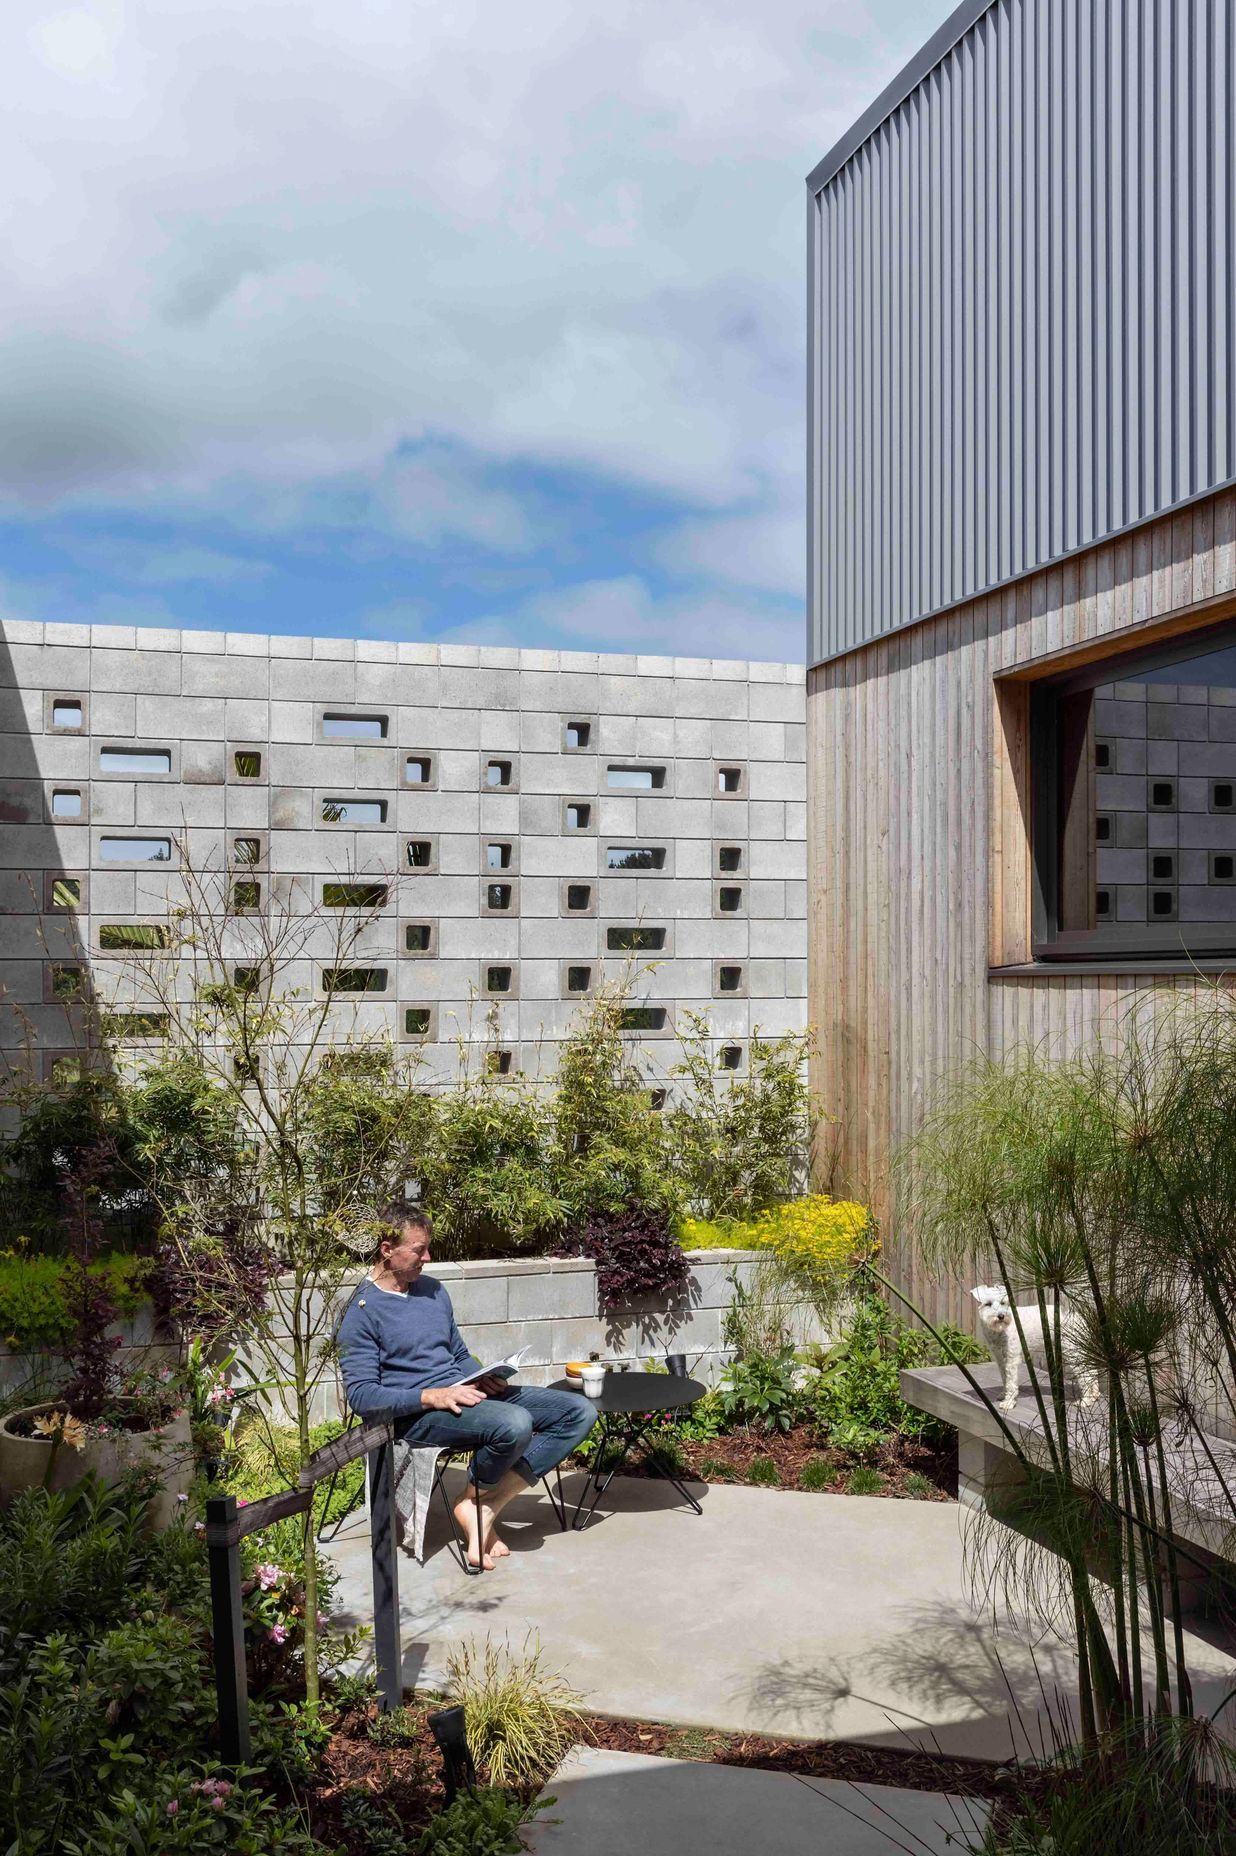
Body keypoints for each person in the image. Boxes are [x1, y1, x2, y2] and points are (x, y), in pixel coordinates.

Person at [336, 1204, 597, 1569]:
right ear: (386, 1250)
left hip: (462, 1394)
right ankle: (478, 1508)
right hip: (418, 1414)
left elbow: (456, 1353)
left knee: (578, 1411)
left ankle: (482, 1504)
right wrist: (432, 1396)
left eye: (428, 1248)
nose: (427, 1257)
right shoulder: (359, 1311)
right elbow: (363, 1396)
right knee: (514, 1423)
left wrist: (481, 1375)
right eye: (418, 1250)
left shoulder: (432, 1291)